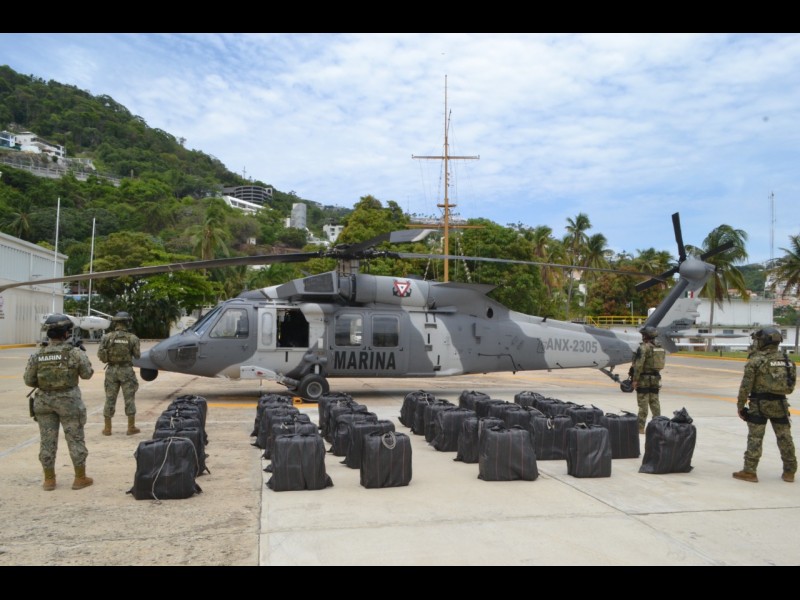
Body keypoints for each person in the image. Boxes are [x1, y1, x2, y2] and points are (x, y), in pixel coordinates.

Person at [23, 314, 95, 491]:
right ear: (66, 333)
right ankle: (79, 478)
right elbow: (87, 374)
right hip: (68, 402)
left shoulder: (38, 354)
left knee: (47, 441)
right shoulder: (74, 352)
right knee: (75, 438)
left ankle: (49, 480)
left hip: (44, 402)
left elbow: (29, 380)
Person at [733, 327, 797, 483]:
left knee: (755, 438)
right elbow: (791, 384)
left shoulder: (756, 361)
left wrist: (740, 405)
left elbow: (745, 386)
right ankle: (789, 472)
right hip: (780, 404)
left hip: (759, 405)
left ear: (763, 342)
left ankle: (750, 471)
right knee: (785, 438)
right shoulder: (787, 361)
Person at [97, 311, 141, 436]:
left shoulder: (107, 337)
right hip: (126, 371)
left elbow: (100, 355)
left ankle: (107, 429)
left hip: (111, 371)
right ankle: (131, 427)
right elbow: (137, 356)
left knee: (110, 398)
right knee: (129, 398)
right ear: (128, 322)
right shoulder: (132, 338)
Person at [631, 325, 666, 434]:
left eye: (643, 335)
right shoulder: (659, 347)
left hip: (643, 379)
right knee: (655, 404)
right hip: (655, 378)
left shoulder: (643, 348)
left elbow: (639, 365)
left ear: (646, 336)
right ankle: (658, 426)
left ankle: (640, 427)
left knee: (643, 404)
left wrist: (635, 379)